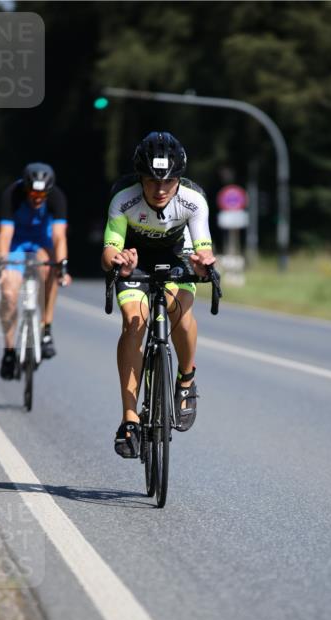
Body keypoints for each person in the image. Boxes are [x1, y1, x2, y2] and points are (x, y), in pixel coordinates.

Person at [101, 131, 216, 458]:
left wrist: (203, 264)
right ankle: (130, 418)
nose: (160, 189)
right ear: (140, 177)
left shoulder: (193, 199)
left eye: (169, 181)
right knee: (134, 322)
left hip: (178, 255)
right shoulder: (124, 198)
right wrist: (119, 262)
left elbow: (204, 248)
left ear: (179, 179)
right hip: (133, 259)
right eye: (152, 181)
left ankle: (186, 379)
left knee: (179, 312)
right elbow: (109, 251)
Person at [0, 162, 71, 380]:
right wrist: (1, 266)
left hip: (41, 243)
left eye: (42, 195)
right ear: (26, 189)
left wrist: (62, 266)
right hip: (17, 243)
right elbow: (4, 235)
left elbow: (59, 237)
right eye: (33, 194)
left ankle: (46, 329)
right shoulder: (12, 195)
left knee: (51, 271)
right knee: (9, 294)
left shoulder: (57, 197)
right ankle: (9, 351)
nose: (37, 199)